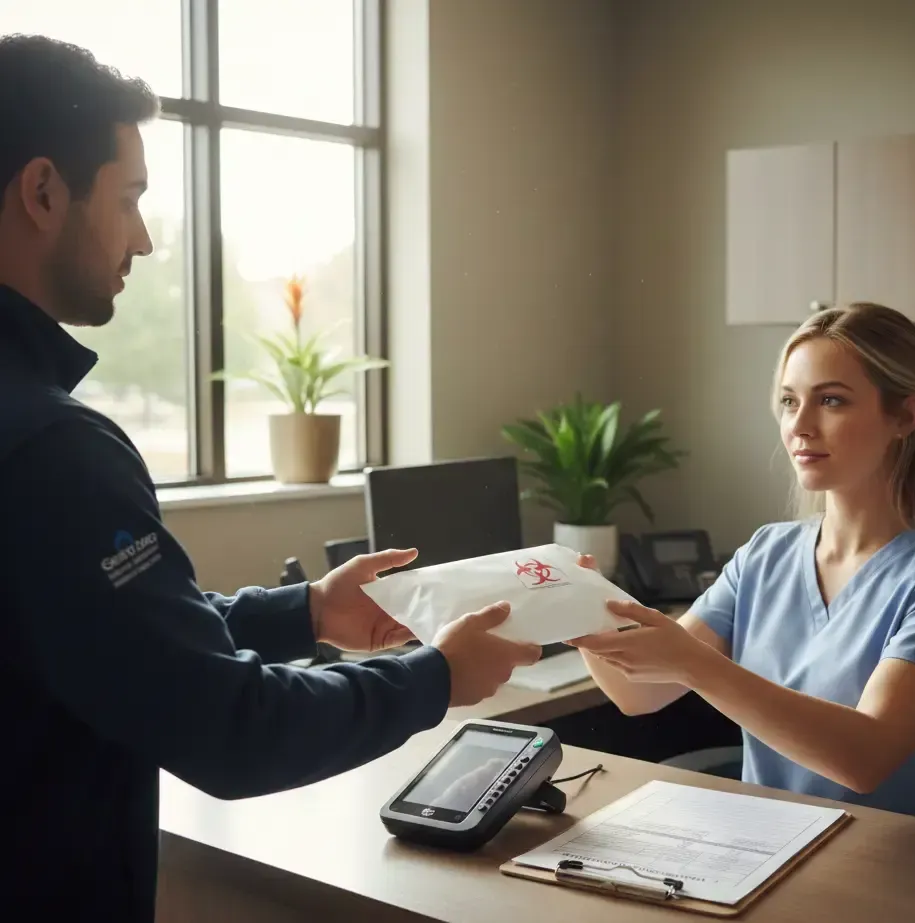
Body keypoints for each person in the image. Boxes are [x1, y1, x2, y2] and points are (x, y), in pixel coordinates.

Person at [0, 33, 541, 919]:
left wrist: (304, 611)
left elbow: (93, 633)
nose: (141, 236)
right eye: (130, 197)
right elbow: (231, 727)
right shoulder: (55, 452)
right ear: (44, 190)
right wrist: (436, 677)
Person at [571, 302, 915, 825]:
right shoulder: (765, 554)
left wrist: (694, 662)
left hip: (897, 866)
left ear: (905, 416)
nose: (800, 426)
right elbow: (642, 692)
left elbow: (865, 758)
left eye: (832, 401)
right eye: (789, 401)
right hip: (774, 847)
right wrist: (579, 606)